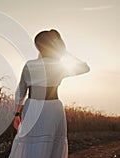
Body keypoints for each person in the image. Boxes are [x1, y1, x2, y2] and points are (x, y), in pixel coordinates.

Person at [8, 29, 90, 158]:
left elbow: (21, 90)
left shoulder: (30, 65)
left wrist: (17, 113)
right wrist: (65, 53)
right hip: (53, 108)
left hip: (33, 107)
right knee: (52, 144)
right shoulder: (59, 65)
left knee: (31, 142)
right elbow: (85, 67)